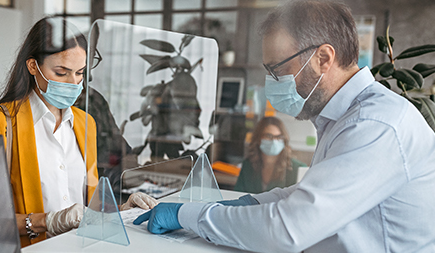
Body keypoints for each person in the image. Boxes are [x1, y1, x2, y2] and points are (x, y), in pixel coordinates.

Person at [134, 1, 435, 252]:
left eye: (277, 68)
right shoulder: (346, 117)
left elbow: (289, 229)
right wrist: (247, 203)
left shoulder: (374, 124)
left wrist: (188, 215)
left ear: (323, 58)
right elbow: (308, 195)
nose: (271, 82)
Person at [0, 17, 158, 247]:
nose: (73, 82)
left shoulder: (86, 123)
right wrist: (48, 221)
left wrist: (123, 211)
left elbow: (89, 208)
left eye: (80, 72)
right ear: (33, 66)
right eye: (61, 72)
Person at [233, 116, 306, 193]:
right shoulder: (248, 165)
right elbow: (237, 194)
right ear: (258, 139)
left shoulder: (297, 168)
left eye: (278, 137)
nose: (274, 141)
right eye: (268, 136)